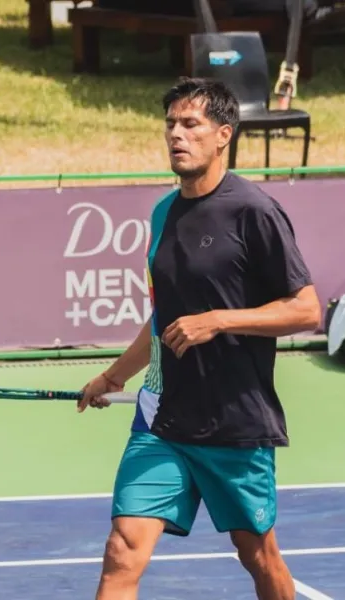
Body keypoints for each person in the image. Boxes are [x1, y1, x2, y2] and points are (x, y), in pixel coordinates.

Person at [77, 77, 321, 600]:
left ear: (223, 135)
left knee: (258, 556)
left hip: (234, 421)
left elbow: (306, 308)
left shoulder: (254, 211)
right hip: (163, 418)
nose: (176, 135)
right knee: (123, 548)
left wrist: (219, 320)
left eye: (191, 124)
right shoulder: (164, 212)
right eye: (170, 124)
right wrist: (113, 376)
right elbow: (165, 317)